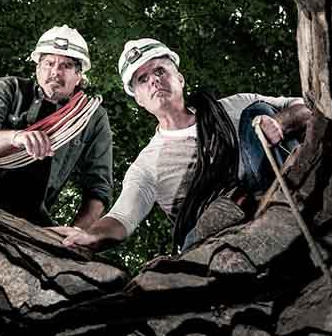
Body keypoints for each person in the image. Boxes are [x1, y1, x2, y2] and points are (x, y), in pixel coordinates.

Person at [55, 38, 311, 251]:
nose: (154, 80)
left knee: (256, 114)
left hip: (280, 196)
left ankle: (286, 205)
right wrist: (90, 235)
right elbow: (122, 217)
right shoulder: (147, 165)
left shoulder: (232, 108)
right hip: (217, 236)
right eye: (142, 79)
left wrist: (280, 123)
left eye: (160, 71)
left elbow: (306, 107)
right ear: (139, 99)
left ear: (179, 78)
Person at [0, 25, 113, 231]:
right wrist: (16, 137)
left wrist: (75, 233)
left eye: (65, 65)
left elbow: (98, 187)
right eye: (49, 63)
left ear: (78, 75)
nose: (55, 72)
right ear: (38, 68)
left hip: (32, 215)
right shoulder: (9, 88)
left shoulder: (92, 117)